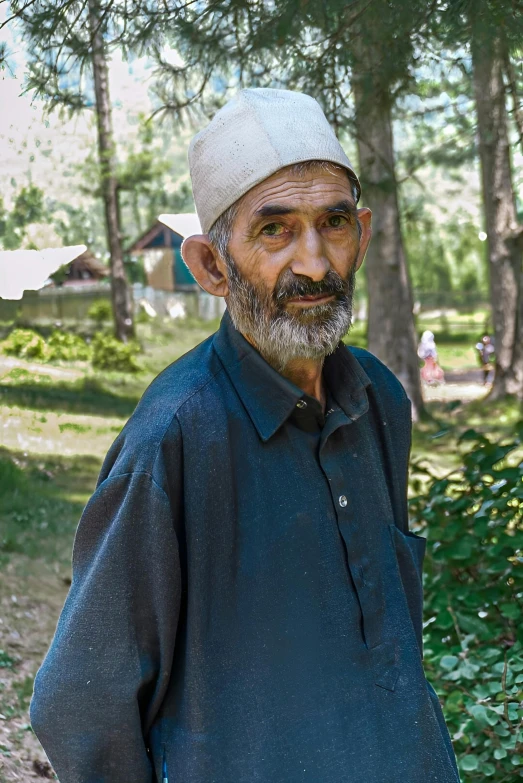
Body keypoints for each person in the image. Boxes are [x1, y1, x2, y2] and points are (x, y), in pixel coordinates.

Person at [29, 89, 460, 783]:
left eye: (334, 223)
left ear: (365, 233)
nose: (315, 264)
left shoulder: (378, 398)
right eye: (275, 231)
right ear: (210, 266)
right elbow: (80, 701)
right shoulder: (172, 437)